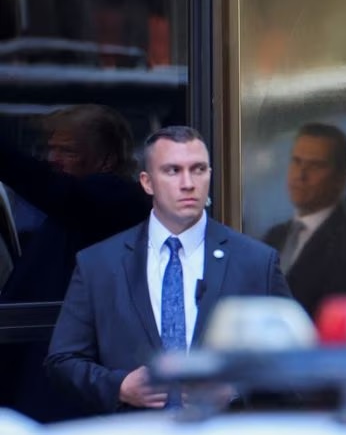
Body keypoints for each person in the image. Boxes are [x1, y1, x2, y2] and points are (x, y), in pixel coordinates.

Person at [45, 126, 291, 415]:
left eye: (198, 169)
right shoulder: (99, 264)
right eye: (173, 171)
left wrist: (236, 388)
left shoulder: (254, 262)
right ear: (147, 183)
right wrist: (119, 386)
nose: (188, 183)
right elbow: (62, 360)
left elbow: (295, 360)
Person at [0, 104, 152, 421]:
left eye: (66, 151)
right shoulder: (76, 204)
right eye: (51, 149)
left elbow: (52, 189)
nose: (53, 159)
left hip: (70, 391)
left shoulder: (115, 197)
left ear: (106, 159)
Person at [263, 123, 346, 316]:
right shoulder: (273, 237)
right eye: (296, 161)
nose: (300, 175)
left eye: (314, 165)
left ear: (340, 177)